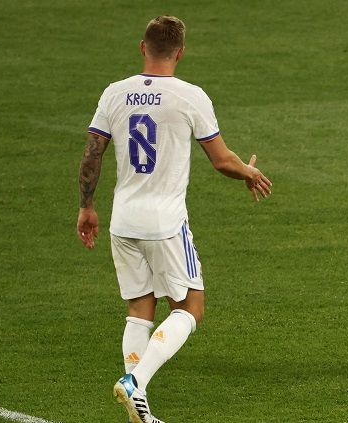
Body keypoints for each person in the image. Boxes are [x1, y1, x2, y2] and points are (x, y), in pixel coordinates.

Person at [77, 15, 272, 423]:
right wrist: (249, 172)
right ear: (180, 53)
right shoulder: (189, 96)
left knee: (139, 308)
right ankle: (135, 382)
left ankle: (138, 406)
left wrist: (87, 206)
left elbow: (92, 153)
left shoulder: (114, 93)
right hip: (165, 223)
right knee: (190, 307)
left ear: (141, 47)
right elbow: (221, 161)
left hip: (122, 220)